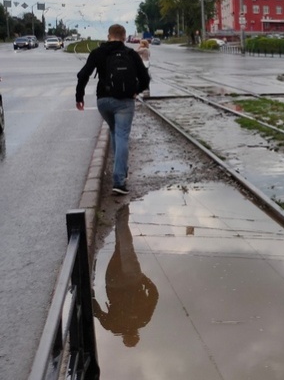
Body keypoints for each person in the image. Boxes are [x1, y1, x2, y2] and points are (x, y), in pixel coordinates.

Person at [76, 24, 150, 195]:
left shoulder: (98, 52)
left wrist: (79, 97)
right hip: (124, 102)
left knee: (115, 130)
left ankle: (121, 170)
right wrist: (135, 91)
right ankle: (119, 180)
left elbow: (83, 75)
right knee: (122, 135)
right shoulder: (130, 54)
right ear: (124, 36)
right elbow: (145, 78)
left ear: (109, 36)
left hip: (103, 101)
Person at [93, 206, 158, 347]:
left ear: (137, 334)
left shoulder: (143, 320)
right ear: (124, 337)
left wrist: (143, 278)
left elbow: (154, 295)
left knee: (125, 246)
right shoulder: (114, 326)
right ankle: (120, 213)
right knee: (120, 248)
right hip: (113, 282)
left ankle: (121, 211)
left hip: (132, 278)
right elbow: (96, 311)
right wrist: (90, 294)